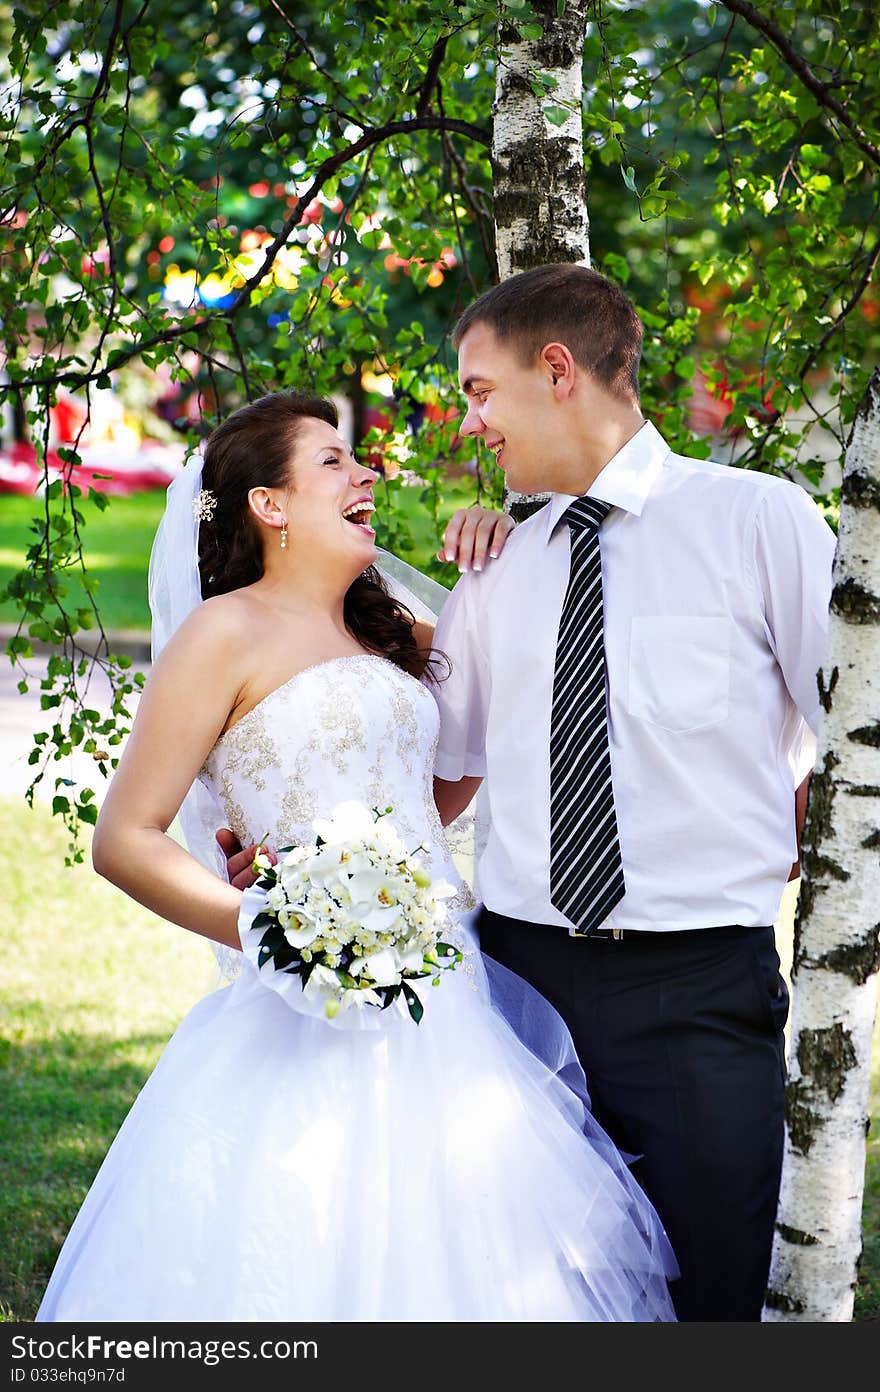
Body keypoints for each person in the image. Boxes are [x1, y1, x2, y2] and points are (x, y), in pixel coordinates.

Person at [36, 389, 677, 1322]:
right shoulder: (223, 634)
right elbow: (124, 838)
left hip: (447, 989)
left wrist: (495, 552)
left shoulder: (398, 633)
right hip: (303, 1008)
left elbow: (456, 769)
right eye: (334, 461)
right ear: (270, 504)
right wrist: (275, 926)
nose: (365, 472)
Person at [424, 263, 837, 1322]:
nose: (471, 422)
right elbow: (439, 775)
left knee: (706, 1298)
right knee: (528, 1301)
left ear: (555, 371)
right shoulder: (495, 562)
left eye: (479, 390)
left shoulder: (760, 521)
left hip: (699, 988)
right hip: (518, 991)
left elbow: (854, 730)